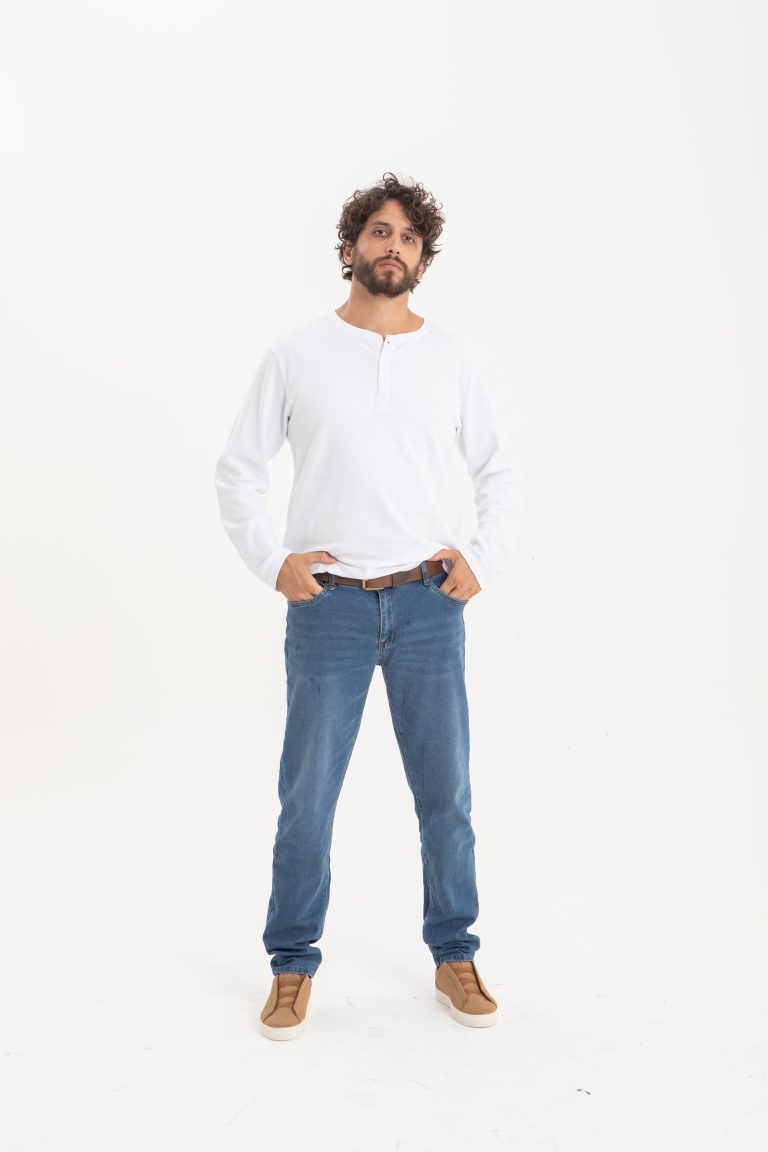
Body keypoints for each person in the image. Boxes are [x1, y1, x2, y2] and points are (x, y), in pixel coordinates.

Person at [214, 171, 524, 1040]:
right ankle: (291, 963)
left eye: (409, 237)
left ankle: (455, 952)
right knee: (308, 796)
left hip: (429, 604)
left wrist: (482, 559)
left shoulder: (451, 359)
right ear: (350, 247)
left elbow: (499, 469)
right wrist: (271, 561)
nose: (394, 246)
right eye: (379, 232)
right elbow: (238, 470)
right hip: (330, 608)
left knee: (446, 793)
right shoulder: (296, 355)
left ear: (423, 259)